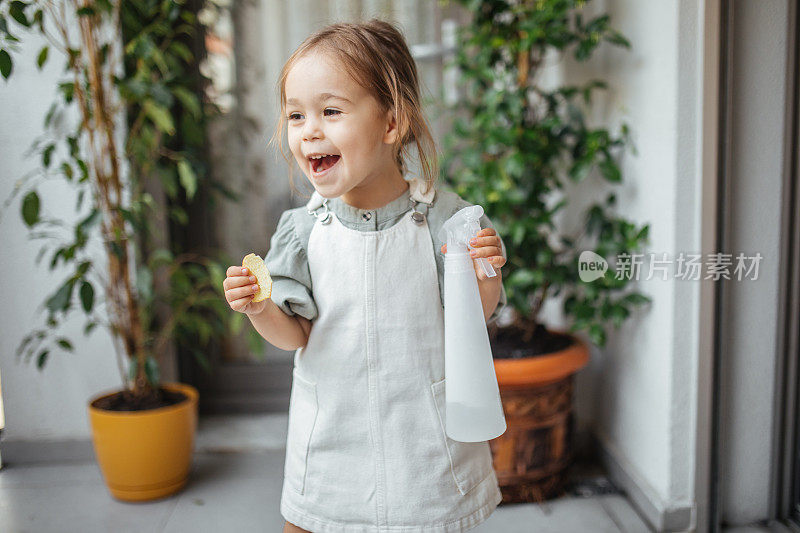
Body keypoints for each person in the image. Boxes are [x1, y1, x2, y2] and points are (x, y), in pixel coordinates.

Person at [223, 18, 509, 533]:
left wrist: (485, 276)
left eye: (330, 111)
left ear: (391, 123)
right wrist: (260, 308)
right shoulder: (302, 230)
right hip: (332, 436)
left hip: (425, 440)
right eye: (295, 115)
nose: (309, 129)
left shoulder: (447, 221)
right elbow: (294, 336)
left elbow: (470, 321)